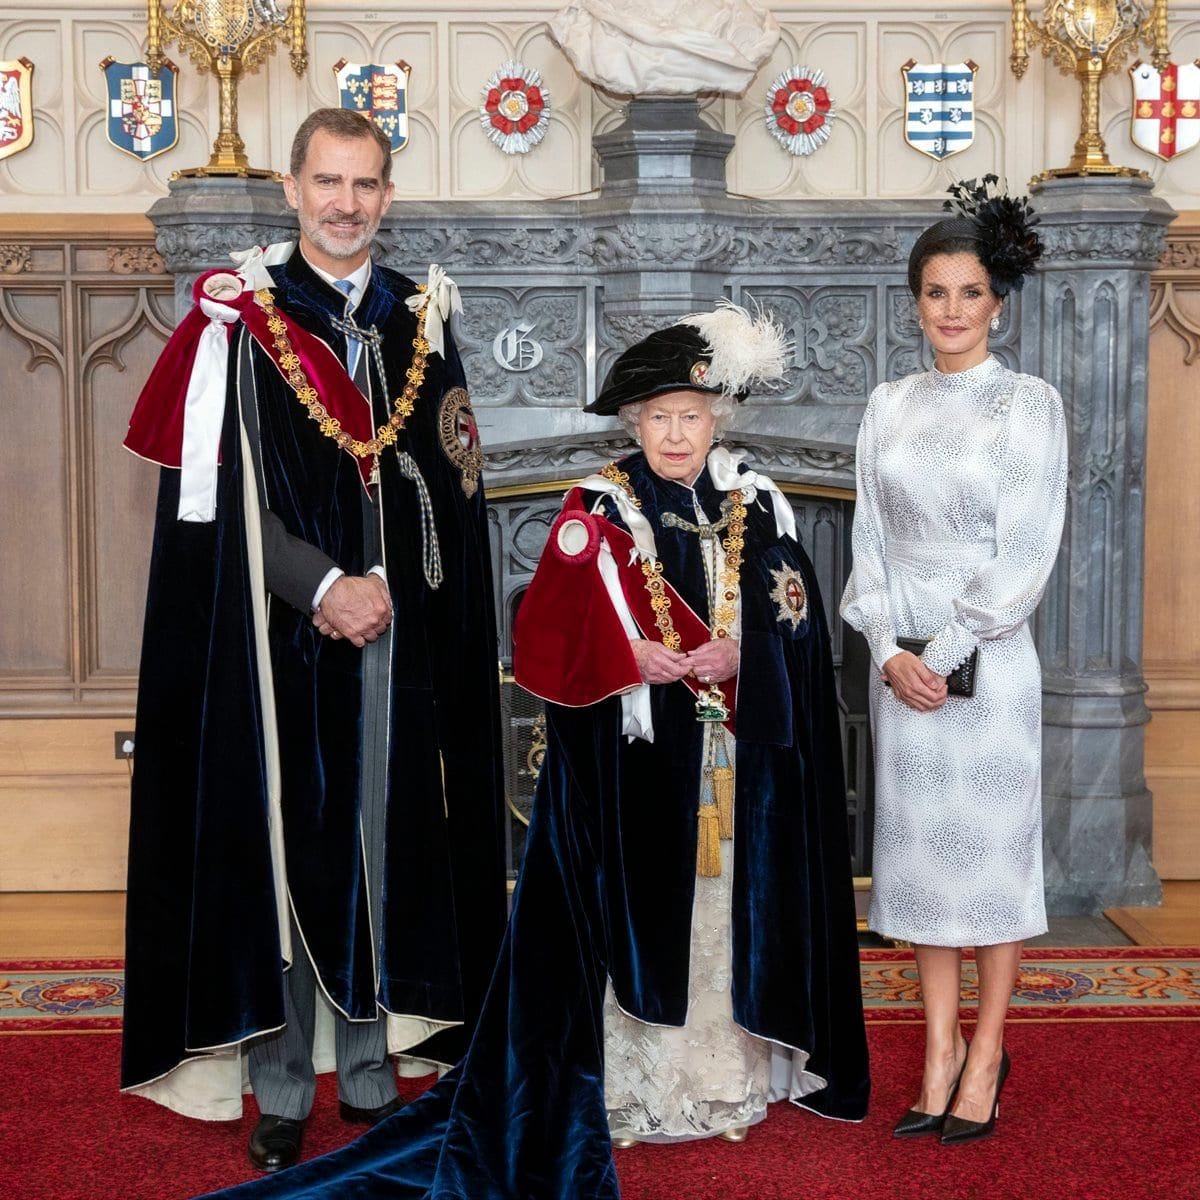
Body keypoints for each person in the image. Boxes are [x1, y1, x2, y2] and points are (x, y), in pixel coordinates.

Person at [196, 302, 869, 1200]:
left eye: (693, 416)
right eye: (659, 417)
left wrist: (746, 653)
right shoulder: (596, 507)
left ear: (721, 417)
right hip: (629, 770)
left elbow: (795, 616)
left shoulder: (759, 501)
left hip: (731, 762)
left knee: (722, 917)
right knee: (641, 918)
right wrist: (626, 656)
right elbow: (542, 633)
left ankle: (723, 1076)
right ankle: (639, 1087)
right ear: (635, 423)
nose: (676, 434)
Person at [120, 107, 507, 1173]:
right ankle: (285, 1084)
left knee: (389, 846)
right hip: (276, 639)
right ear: (291, 189)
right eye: (327, 183)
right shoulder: (242, 322)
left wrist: (398, 594)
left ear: (388, 195)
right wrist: (326, 584)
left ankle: (376, 1073)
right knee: (290, 849)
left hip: (401, 637)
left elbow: (451, 489)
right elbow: (218, 504)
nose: (347, 204)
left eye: (366, 185)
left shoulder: (416, 320)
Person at [840, 176, 1067, 1145]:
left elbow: (1027, 548)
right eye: (936, 292)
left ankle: (986, 1052)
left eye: (970, 292)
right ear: (916, 301)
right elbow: (867, 543)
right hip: (906, 676)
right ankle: (935, 1053)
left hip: (990, 665)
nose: (952, 310)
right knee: (923, 872)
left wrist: (945, 649)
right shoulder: (888, 405)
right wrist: (889, 650)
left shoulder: (1029, 404)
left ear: (998, 303)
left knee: (992, 870)